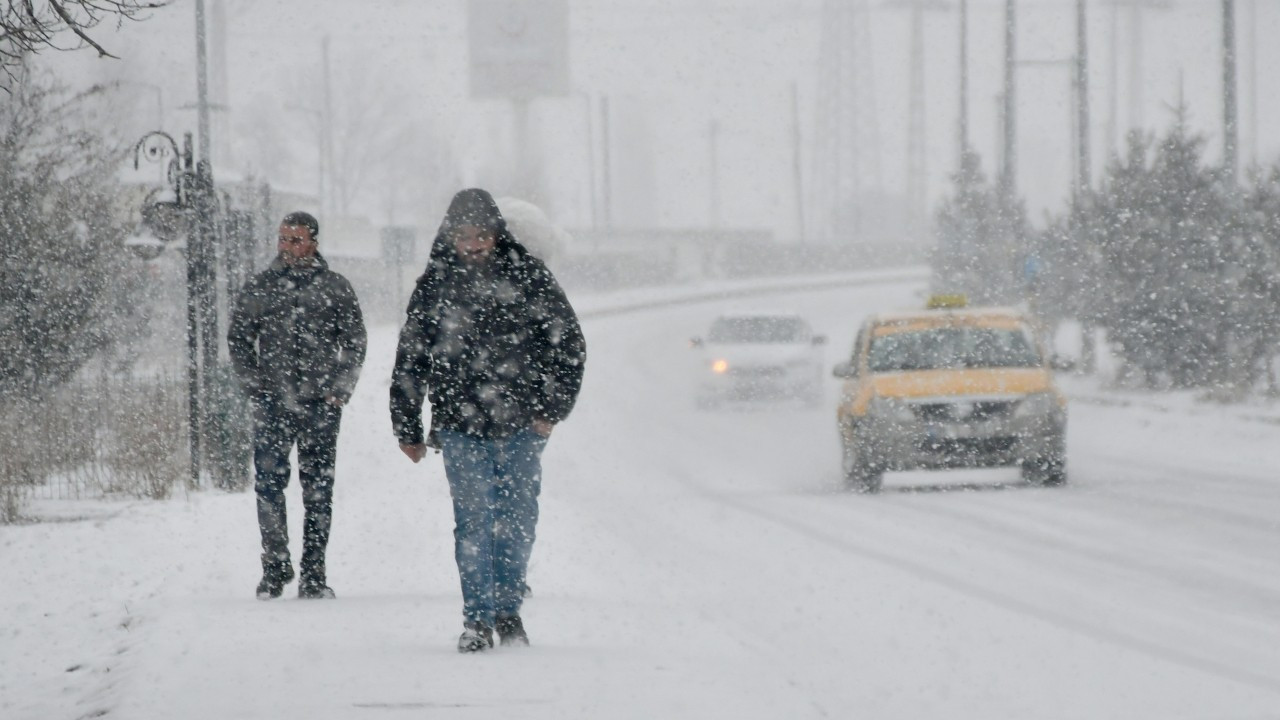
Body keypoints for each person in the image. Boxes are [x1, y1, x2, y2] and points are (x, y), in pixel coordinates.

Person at [390, 189, 585, 652]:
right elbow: (411, 356)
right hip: (461, 425)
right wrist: (407, 426)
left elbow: (568, 346)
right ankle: (477, 619)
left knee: (517, 521)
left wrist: (550, 411)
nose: (474, 245)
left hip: (521, 425)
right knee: (475, 521)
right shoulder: (436, 284)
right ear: (450, 236)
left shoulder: (530, 278)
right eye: (466, 236)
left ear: (498, 235)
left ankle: (508, 610)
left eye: (483, 235)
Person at [228, 211, 367, 600]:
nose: (287, 247)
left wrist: (339, 390)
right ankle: (275, 566)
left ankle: (313, 574)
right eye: (283, 239)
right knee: (269, 486)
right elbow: (239, 339)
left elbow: (355, 342)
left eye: (295, 240)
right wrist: (255, 387)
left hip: (320, 405)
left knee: (318, 491)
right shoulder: (260, 288)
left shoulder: (335, 288)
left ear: (314, 243)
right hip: (272, 403)